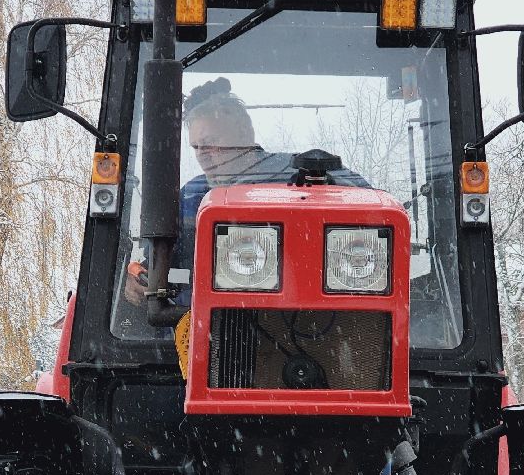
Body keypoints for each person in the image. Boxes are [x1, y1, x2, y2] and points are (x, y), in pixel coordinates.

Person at [124, 78, 365, 305]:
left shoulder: (300, 177)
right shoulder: (191, 197)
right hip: (199, 334)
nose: (202, 155)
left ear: (243, 133)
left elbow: (372, 209)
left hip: (304, 320)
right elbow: (155, 263)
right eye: (196, 147)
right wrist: (138, 279)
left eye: (210, 142)